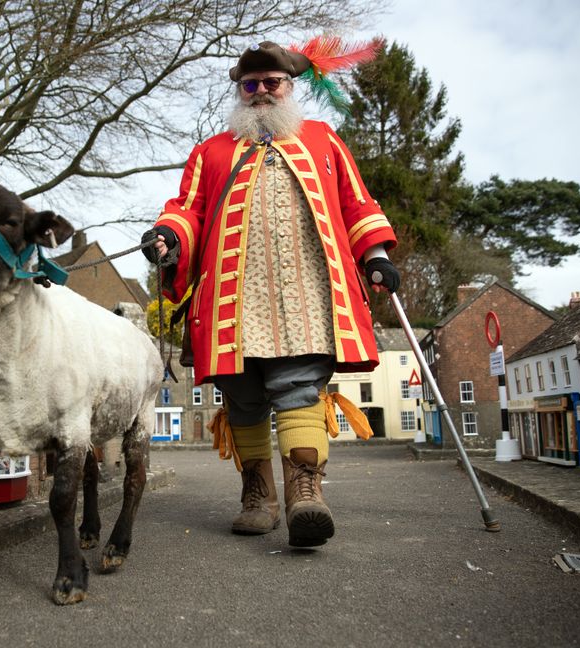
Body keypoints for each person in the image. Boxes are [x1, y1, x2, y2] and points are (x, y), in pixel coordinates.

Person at [141, 39, 400, 547]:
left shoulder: (325, 140)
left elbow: (356, 204)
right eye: (250, 84)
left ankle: (306, 492)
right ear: (240, 90)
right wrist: (167, 236)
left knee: (300, 387)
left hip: (306, 294)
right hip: (230, 301)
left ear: (290, 88)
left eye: (271, 83)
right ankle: (258, 494)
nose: (260, 92)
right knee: (243, 398)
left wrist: (376, 257)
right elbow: (187, 210)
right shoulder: (210, 152)